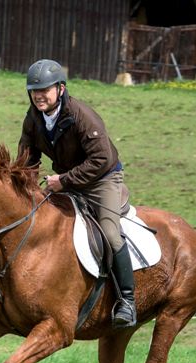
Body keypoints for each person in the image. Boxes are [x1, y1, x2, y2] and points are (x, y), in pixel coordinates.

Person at [18, 58, 136, 328]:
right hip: (65, 180)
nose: (39, 95)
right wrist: (25, 190)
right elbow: (27, 159)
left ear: (60, 89)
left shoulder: (82, 115)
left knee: (109, 232)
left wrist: (65, 180)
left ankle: (127, 301)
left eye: (45, 89)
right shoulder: (33, 118)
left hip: (102, 179)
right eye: (34, 90)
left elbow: (101, 159)